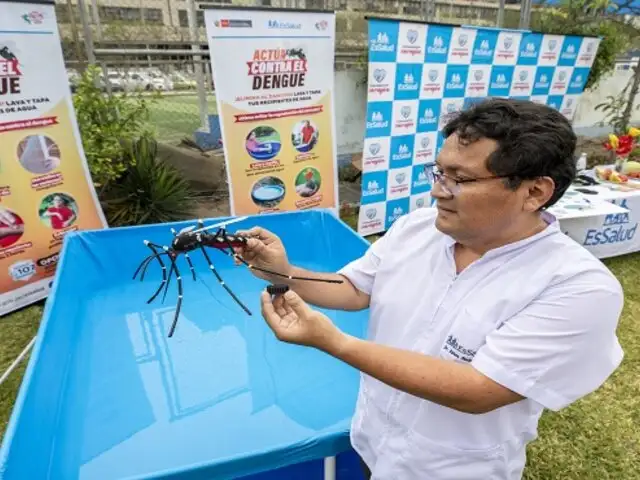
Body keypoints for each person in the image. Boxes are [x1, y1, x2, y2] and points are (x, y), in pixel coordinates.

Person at [234, 98, 624, 479]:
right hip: (373, 439)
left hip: (453, 468)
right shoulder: (417, 228)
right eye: (439, 173)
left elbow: (479, 389)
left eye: (461, 179)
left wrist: (334, 342)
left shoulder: (577, 287)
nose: (439, 191)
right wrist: (284, 274)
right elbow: (353, 287)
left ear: (535, 192)